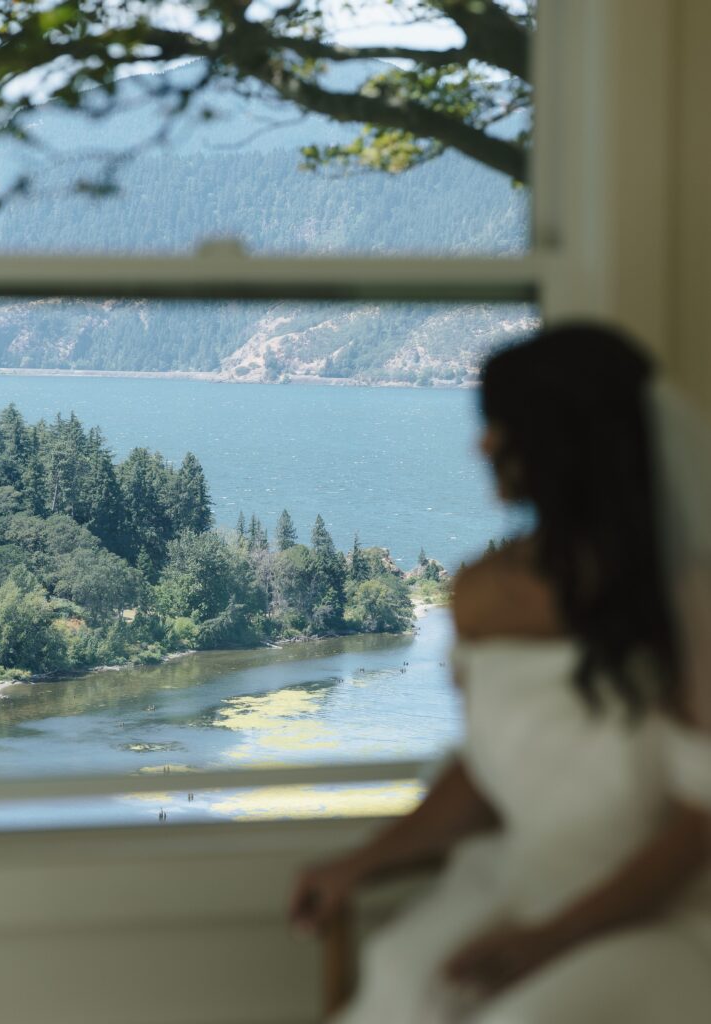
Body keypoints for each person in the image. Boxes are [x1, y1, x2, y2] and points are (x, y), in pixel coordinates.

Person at [290, 324, 711, 1023]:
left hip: (664, 909)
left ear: (566, 441)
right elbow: (486, 771)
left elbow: (701, 826)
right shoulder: (483, 591)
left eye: (502, 425)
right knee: (404, 974)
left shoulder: (688, 604)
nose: (482, 446)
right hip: (528, 886)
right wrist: (358, 864)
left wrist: (546, 942)